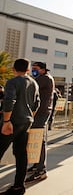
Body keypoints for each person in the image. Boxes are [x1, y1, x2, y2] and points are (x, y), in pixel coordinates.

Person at [0, 59, 40, 195]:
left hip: (12, 122)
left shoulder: (12, 82)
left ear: (14, 69)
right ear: (28, 69)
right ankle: (19, 187)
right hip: (26, 121)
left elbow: (9, 100)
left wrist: (6, 121)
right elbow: (36, 104)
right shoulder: (34, 83)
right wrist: (29, 117)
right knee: (21, 154)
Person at [25, 61, 55, 183]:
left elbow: (28, 86)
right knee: (36, 139)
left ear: (42, 69)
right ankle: (37, 165)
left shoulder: (44, 78)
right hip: (41, 112)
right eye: (32, 68)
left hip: (40, 112)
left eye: (35, 69)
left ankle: (41, 170)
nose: (33, 71)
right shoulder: (45, 77)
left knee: (38, 139)